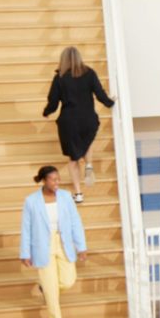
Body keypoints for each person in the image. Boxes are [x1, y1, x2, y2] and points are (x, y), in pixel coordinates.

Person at [20, 165, 87, 318]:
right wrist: (25, 252)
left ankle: (47, 289)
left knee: (68, 280)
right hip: (43, 245)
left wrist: (81, 246)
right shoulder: (31, 200)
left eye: (58, 178)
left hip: (63, 243)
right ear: (44, 180)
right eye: (54, 179)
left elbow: (75, 222)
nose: (58, 182)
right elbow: (26, 228)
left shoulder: (65, 196)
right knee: (51, 288)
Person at [43, 46, 115, 204]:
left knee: (73, 158)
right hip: (88, 119)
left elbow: (53, 102)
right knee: (86, 140)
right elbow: (99, 93)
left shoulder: (60, 77)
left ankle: (78, 193)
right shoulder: (90, 73)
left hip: (69, 121)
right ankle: (89, 164)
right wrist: (110, 102)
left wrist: (46, 112)